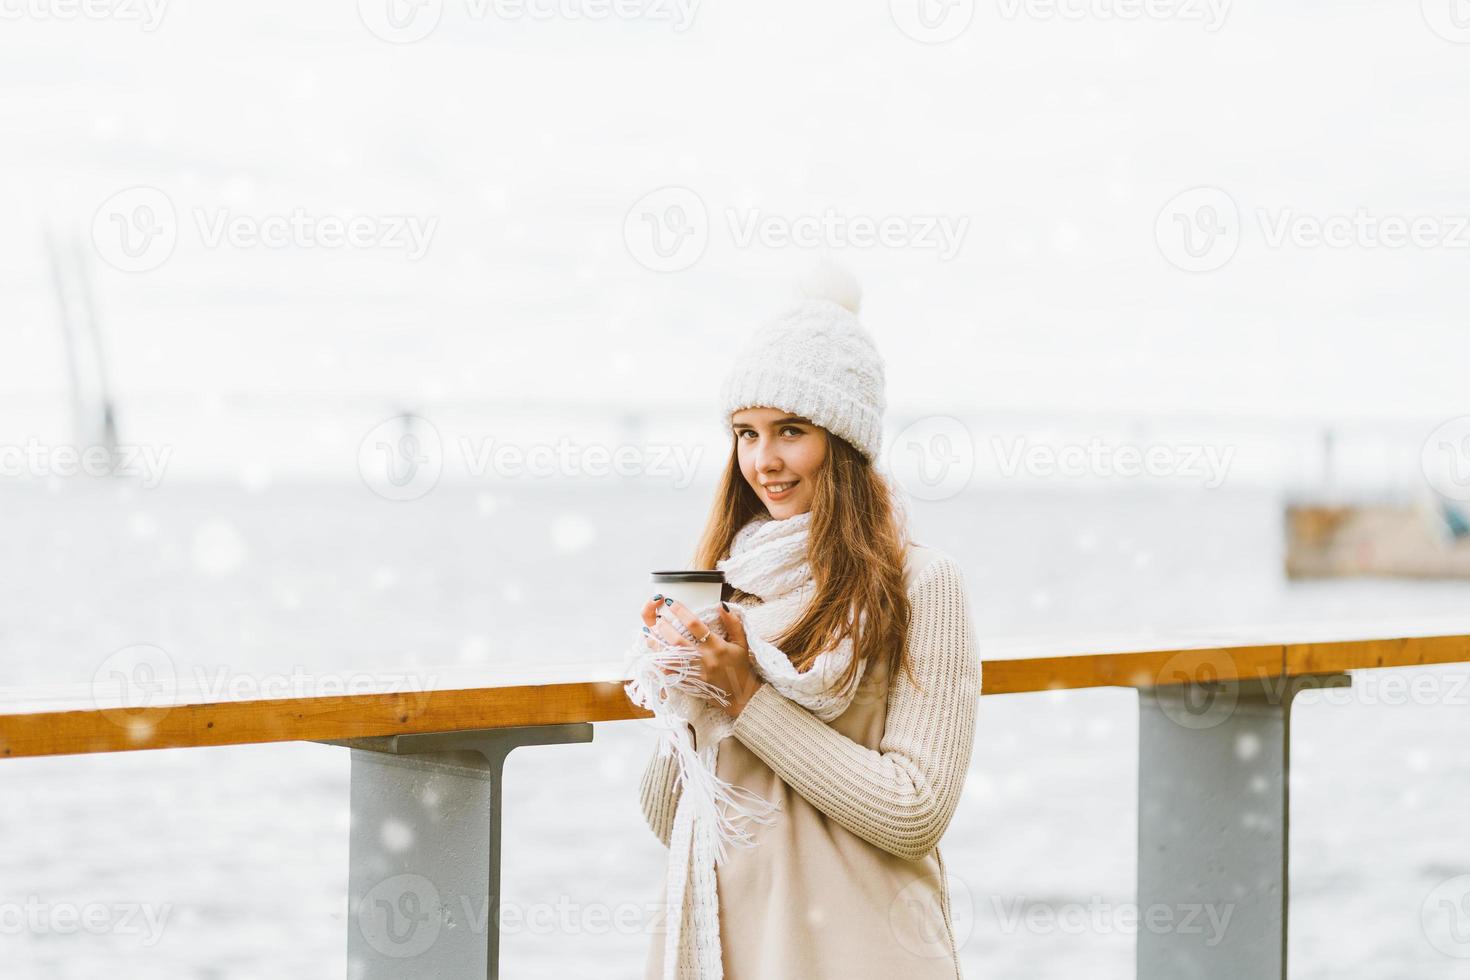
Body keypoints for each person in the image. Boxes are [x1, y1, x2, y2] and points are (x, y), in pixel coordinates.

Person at [628, 265, 982, 979]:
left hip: (863, 952)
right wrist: (684, 688)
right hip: (735, 944)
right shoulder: (730, 587)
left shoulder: (922, 584)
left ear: (844, 443)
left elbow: (915, 812)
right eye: (746, 434)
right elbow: (674, 820)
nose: (764, 461)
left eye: (791, 431)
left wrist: (747, 698)